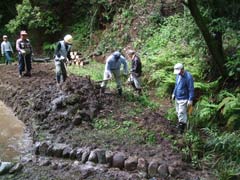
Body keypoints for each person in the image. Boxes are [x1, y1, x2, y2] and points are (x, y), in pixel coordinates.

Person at [172, 63, 194, 134]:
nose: (178, 74)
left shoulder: (188, 77)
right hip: (177, 97)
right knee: (178, 112)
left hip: (184, 98)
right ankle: (181, 123)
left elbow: (191, 89)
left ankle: (181, 129)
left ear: (182, 70)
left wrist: (190, 99)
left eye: (179, 72)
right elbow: (176, 85)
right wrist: (174, 93)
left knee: (181, 112)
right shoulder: (178, 76)